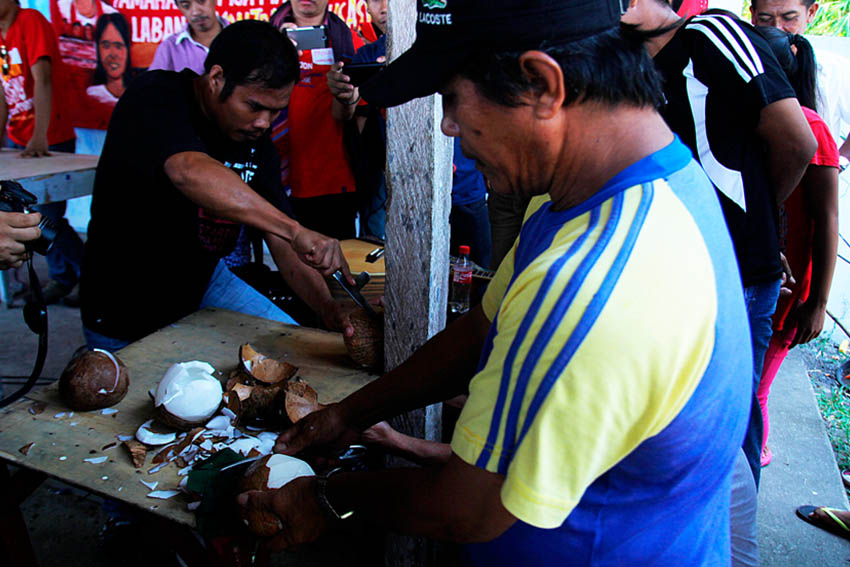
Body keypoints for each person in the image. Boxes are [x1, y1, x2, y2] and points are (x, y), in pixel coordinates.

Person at [237, 1, 751, 563]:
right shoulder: (602, 194)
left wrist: (321, 498)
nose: (447, 125)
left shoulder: (592, 277)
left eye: (454, 98)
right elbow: (482, 329)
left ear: (542, 84)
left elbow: (466, 507)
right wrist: (348, 414)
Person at [622, 0, 817, 489]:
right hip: (665, 274)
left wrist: (760, 221)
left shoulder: (710, 36)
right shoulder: (618, 59)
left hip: (737, 272)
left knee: (729, 425)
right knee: (671, 423)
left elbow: (798, 142)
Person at [80, 20, 354, 352]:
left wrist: (327, 306)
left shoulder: (258, 142)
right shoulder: (156, 95)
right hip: (123, 304)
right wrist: (296, 230)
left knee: (290, 358)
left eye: (275, 112)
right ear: (216, 79)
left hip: (205, 284)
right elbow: (188, 170)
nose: (264, 123)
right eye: (254, 106)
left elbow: (283, 241)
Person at [754, 27, 839, 467]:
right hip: (762, 274)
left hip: (791, 290)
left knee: (757, 390)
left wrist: (818, 303)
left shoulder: (812, 128)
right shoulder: (751, 118)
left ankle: (756, 455)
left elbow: (827, 220)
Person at [0, 0, 82, 305]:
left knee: (48, 218)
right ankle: (63, 277)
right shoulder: (1, 35)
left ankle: (85, 273)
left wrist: (40, 137)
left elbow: (43, 78)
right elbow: (2, 89)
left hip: (49, 137)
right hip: (19, 139)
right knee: (29, 215)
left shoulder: (30, 20)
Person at [269, 0, 360, 240]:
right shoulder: (265, 42)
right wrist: (273, 54)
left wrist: (346, 95)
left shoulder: (350, 43)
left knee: (336, 269)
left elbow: (348, 117)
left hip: (331, 181)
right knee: (288, 270)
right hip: (272, 175)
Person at [751, 0, 850, 163]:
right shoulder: (739, 65)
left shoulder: (833, 69)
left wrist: (839, 161)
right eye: (765, 18)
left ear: (811, 13)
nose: (777, 27)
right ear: (753, 16)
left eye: (789, 18)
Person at [148, 0, 226, 75]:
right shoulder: (169, 47)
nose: (196, 12)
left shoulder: (237, 37)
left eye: (201, 1)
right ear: (178, 7)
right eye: (186, 5)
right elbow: (152, 86)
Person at [86, 13, 131, 105]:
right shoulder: (92, 95)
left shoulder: (139, 95)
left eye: (118, 46)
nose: (113, 54)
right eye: (106, 46)